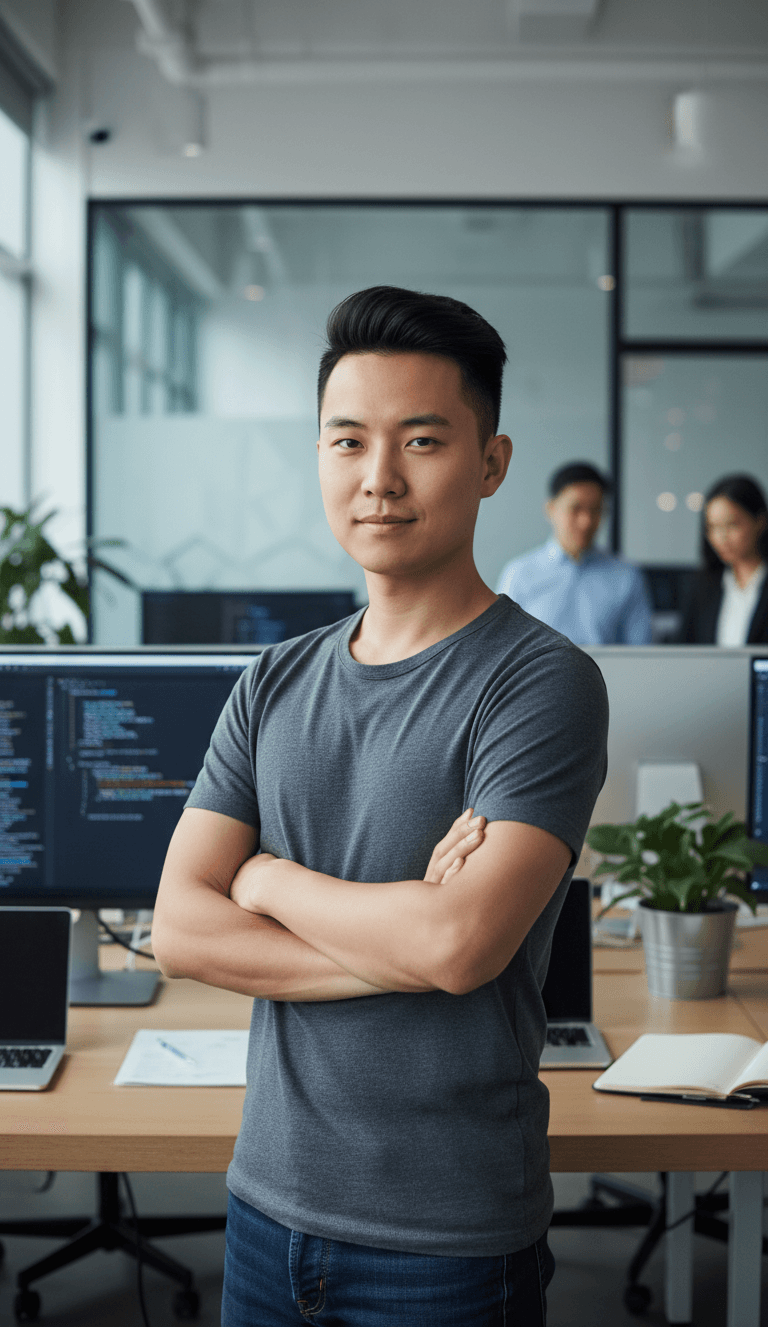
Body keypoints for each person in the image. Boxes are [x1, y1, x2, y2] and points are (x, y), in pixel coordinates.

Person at [152, 286, 608, 1327]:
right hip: (265, 1205)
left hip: (445, 1239)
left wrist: (265, 881)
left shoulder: (540, 683)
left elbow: (456, 947)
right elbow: (180, 926)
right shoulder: (274, 678)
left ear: (491, 463)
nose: (380, 480)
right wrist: (401, 933)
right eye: (348, 441)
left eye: (423, 441)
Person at [496, 462, 653, 644]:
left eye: (596, 510)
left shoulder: (626, 577)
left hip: (607, 673)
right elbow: (501, 647)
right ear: (550, 509)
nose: (586, 521)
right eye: (576, 508)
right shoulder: (520, 574)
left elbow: (641, 655)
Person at [682, 474, 768, 646]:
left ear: (760, 522)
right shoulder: (701, 587)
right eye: (713, 527)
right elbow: (685, 652)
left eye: (732, 525)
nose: (721, 538)